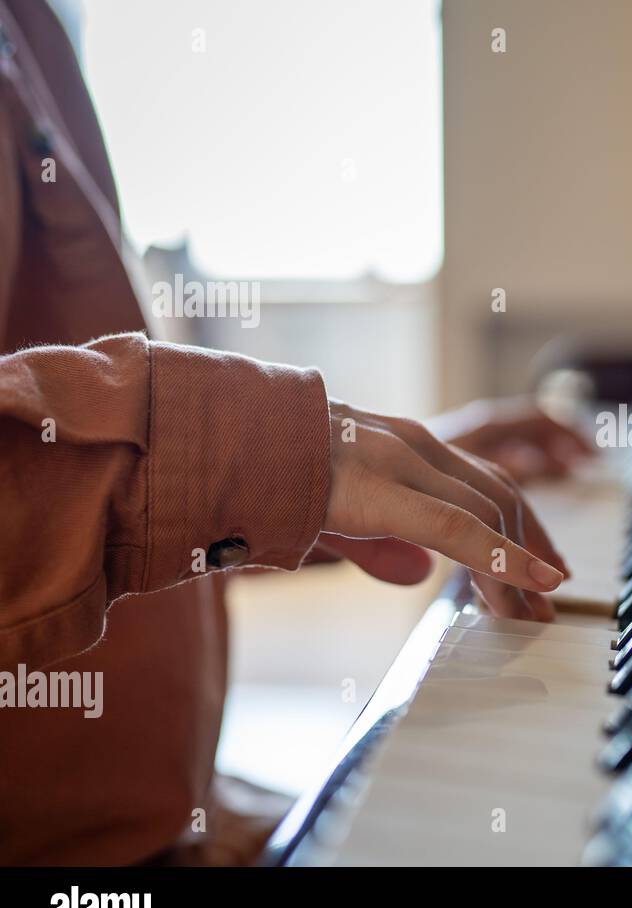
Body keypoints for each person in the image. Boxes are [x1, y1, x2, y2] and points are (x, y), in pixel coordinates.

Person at [0, 0, 587, 864]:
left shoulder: (35, 26)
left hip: (179, 819)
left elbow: (83, 542)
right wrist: (255, 450)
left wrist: (328, 490)